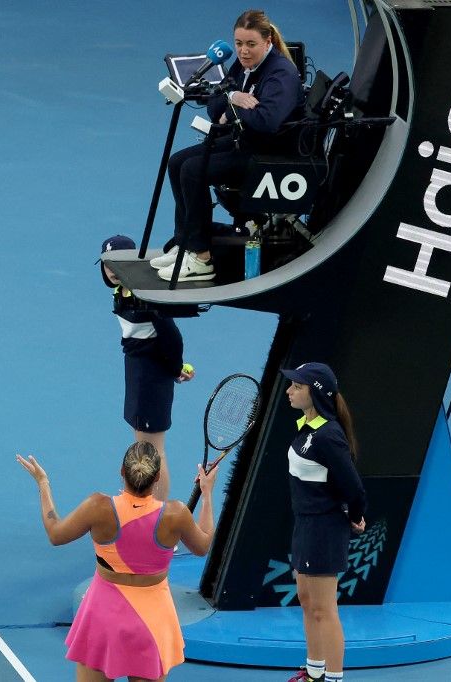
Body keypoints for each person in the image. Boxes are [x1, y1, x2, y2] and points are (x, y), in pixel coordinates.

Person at [16, 442, 218, 681]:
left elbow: (55, 533)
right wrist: (207, 494)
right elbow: (203, 545)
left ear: (122, 472)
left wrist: (43, 483)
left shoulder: (97, 507)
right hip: (151, 624)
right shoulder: (176, 514)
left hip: (103, 618)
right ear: (158, 478)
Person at [151, 9, 306, 282]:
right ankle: (186, 242)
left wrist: (233, 106)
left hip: (266, 154)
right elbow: (215, 105)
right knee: (177, 162)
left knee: (192, 170)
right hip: (242, 140)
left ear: (267, 42)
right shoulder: (243, 65)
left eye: (251, 44)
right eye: (239, 44)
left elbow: (266, 122)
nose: (243, 51)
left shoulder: (281, 74)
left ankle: (201, 257)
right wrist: (235, 96)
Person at [279, 362, 367, 682]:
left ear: (314, 393)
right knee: (306, 601)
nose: (289, 391)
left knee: (324, 610)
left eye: (296, 386)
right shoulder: (308, 428)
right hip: (305, 525)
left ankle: (333, 678)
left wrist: (355, 517)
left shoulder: (328, 436)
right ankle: (314, 672)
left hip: (323, 530)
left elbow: (353, 487)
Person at [101, 234, 195, 500]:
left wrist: (175, 368)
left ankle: (158, 520)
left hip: (149, 377)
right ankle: (149, 513)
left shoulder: (147, 296)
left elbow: (172, 335)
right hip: (139, 371)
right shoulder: (126, 290)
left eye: (118, 264)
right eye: (108, 264)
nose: (112, 270)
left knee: (152, 451)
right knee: (143, 447)